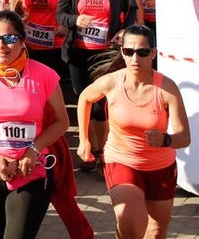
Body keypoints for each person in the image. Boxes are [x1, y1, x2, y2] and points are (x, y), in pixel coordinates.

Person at [0, 11, 70, 239]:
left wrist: (32, 150)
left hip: (29, 171)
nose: (1, 45)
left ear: (22, 40)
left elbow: (62, 122)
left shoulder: (44, 75)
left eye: (9, 39)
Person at [76, 25, 190, 239]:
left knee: (155, 232)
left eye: (142, 52)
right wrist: (84, 140)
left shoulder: (167, 89)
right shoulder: (112, 82)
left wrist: (165, 139)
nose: (135, 59)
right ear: (122, 52)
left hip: (160, 167)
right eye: (129, 52)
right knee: (130, 221)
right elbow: (84, 98)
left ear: (153, 53)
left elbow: (184, 138)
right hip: (121, 160)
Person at [57, 0, 138, 166]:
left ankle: (102, 154)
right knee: (87, 102)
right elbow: (61, 14)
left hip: (106, 54)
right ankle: (87, 148)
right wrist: (75, 20)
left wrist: (124, 30)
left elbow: (131, 10)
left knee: (102, 107)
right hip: (79, 53)